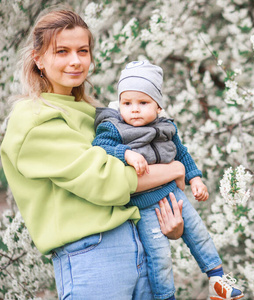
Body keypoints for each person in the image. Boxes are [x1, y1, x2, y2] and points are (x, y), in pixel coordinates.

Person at [0, 9, 186, 300]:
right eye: (62, 51)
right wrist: (176, 170)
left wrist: (169, 226)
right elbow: (109, 182)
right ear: (38, 59)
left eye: (82, 51)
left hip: (137, 246)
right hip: (92, 256)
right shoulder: (34, 119)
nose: (75, 61)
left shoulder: (95, 115)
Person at [92, 60, 245, 300]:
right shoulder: (115, 128)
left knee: (199, 234)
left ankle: (217, 280)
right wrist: (127, 153)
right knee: (159, 257)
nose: (134, 109)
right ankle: (165, 297)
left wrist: (195, 179)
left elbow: (182, 153)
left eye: (143, 103)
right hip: (145, 206)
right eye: (127, 103)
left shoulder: (167, 127)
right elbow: (99, 148)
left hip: (175, 195)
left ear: (158, 106)